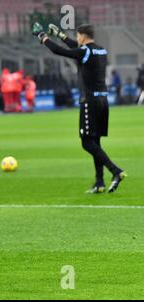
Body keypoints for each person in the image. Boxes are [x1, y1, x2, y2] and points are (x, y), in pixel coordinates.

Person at [32, 22, 126, 193]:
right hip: (103, 102)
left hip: (90, 102)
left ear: (82, 36)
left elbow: (61, 51)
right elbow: (77, 49)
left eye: (77, 36)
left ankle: (115, 171)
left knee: (87, 143)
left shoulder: (85, 51)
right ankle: (99, 182)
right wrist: (61, 36)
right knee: (95, 142)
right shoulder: (100, 50)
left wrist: (42, 37)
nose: (76, 39)